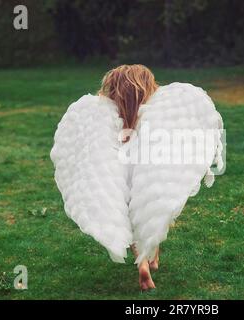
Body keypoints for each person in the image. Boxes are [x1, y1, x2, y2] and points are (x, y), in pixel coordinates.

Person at [50, 64, 224, 290]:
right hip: (147, 168)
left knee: (127, 213)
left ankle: (142, 263)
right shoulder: (156, 113)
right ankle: (152, 254)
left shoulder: (106, 114)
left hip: (117, 170)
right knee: (153, 206)